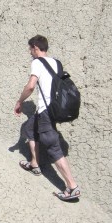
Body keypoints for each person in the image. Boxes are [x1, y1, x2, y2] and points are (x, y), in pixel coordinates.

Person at [14, 35, 81, 201]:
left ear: (36, 48)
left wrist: (20, 101)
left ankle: (72, 187)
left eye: (30, 49)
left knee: (52, 146)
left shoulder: (37, 62)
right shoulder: (56, 62)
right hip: (54, 109)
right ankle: (35, 164)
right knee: (29, 128)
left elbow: (30, 86)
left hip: (46, 111)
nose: (30, 52)